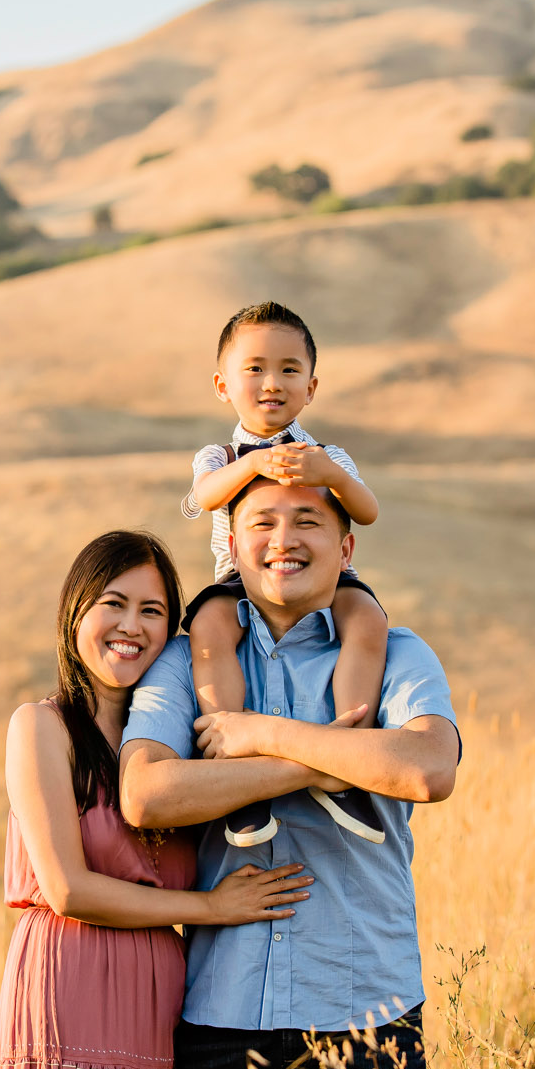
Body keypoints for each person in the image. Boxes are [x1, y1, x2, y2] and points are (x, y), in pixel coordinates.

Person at [121, 478, 461, 1069]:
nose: (284, 539)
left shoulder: (397, 652)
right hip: (222, 1020)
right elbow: (147, 795)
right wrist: (322, 763)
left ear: (346, 545)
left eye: (307, 520)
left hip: (367, 1012)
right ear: (234, 546)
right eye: (263, 523)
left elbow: (426, 767)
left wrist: (257, 733)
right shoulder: (187, 660)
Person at [0, 529, 321, 1069]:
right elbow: (67, 889)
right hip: (68, 988)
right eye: (113, 603)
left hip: (157, 1002)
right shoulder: (41, 727)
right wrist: (212, 908)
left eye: (153, 611)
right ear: (74, 612)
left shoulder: (174, 751)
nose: (130, 626)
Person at [179, 301, 391, 849]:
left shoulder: (327, 452)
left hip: (325, 580)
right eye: (255, 369)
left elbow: (366, 511)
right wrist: (249, 465)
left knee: (367, 617)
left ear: (312, 388)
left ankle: (348, 754)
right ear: (223, 385)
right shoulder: (219, 454)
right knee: (208, 629)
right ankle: (234, 762)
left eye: (289, 370)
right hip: (240, 580)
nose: (272, 382)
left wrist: (329, 474)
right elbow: (203, 498)